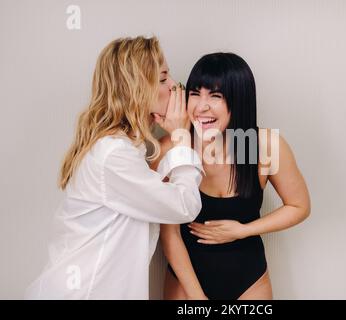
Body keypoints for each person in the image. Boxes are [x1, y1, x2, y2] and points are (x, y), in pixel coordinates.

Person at [25, 36, 204, 299]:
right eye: (164, 78)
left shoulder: (123, 149)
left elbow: (151, 194)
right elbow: (184, 206)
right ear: (137, 88)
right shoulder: (113, 155)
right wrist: (180, 137)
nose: (176, 87)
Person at [153, 53, 311, 300]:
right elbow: (168, 236)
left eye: (215, 96)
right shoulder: (173, 147)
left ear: (239, 100)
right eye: (195, 93)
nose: (201, 106)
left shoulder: (265, 145)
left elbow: (299, 206)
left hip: (250, 283)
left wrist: (243, 230)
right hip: (186, 284)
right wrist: (199, 300)